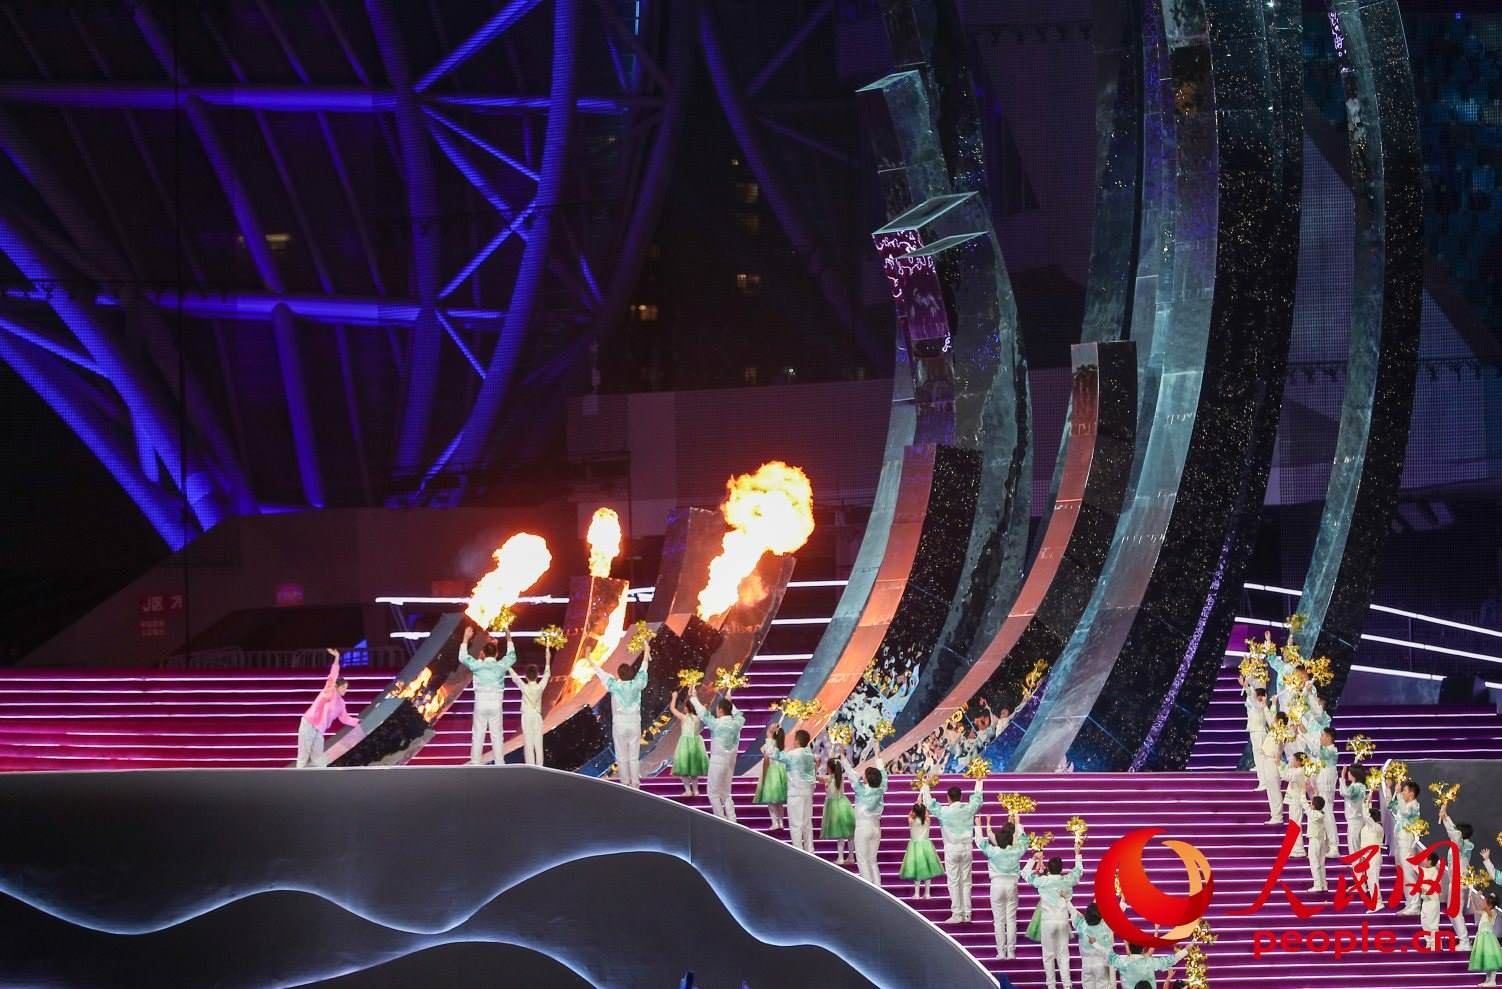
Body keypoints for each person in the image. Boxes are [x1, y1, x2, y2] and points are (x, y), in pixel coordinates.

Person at [922, 777, 986, 923]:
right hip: (967, 848)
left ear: (948, 797)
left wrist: (925, 786)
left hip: (952, 849)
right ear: (961, 797)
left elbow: (929, 803)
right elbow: (978, 799)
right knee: (966, 881)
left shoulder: (944, 811)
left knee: (954, 882)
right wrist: (979, 780)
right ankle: (967, 913)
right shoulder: (968, 809)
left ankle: (957, 914)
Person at [1026, 844, 1085, 989]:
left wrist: (1034, 858)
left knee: (1048, 955)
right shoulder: (1067, 880)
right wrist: (1077, 853)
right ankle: (1067, 985)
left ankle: (1051, 985)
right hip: (1063, 920)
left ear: (1049, 868)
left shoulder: (1042, 881)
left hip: (1047, 921)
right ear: (1061, 869)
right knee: (1063, 954)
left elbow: (1025, 874)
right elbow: (1079, 871)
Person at [593, 641, 650, 787]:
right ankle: (635, 783)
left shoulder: (614, 685)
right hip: (634, 723)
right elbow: (643, 669)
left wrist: (589, 659)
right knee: (633, 757)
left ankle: (625, 783)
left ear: (619, 675)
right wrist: (646, 652)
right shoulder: (637, 684)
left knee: (621, 756)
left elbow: (601, 673)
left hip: (619, 724)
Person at [461, 626, 517, 766]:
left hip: (481, 703)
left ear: (483, 654)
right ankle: (499, 762)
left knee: (478, 733)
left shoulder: (477, 665)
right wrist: (508, 637)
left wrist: (466, 638)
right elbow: (512, 656)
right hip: (496, 703)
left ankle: (475, 762)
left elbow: (462, 657)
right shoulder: (501, 666)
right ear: (497, 654)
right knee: (497, 734)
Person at [976, 813, 1028, 960]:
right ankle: (1011, 952)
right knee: (1011, 920)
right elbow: (1024, 841)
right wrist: (1018, 823)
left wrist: (978, 826)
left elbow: (980, 842)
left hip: (997, 885)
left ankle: (1001, 952)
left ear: (997, 840)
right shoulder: (1016, 851)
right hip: (1011, 885)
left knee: (999, 921)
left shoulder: (993, 851)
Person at [296, 648, 359, 767]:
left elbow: (345, 718)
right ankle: (298, 777)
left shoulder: (341, 703)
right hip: (309, 723)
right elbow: (333, 674)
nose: (345, 690)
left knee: (318, 758)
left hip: (319, 729)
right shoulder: (330, 690)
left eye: (346, 688)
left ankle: (319, 777)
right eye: (343, 687)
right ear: (336, 686)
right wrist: (337, 658)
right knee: (304, 755)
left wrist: (358, 722)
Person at [690, 689, 744, 820]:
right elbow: (739, 715)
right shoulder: (737, 723)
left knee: (713, 793)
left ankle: (721, 820)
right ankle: (732, 820)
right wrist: (730, 702)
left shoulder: (717, 724)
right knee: (726, 793)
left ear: (720, 710)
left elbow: (703, 714)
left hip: (718, 761)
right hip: (730, 762)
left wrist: (693, 698)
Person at [766, 727, 817, 853]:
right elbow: (813, 777)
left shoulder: (793, 755)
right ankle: (810, 850)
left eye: (794, 739)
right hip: (807, 793)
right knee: (807, 824)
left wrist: (770, 737)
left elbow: (774, 754)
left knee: (796, 825)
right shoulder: (809, 755)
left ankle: (799, 851)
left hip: (795, 793)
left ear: (797, 741)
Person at [507, 645, 551, 767]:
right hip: (537, 717)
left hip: (527, 716)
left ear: (526, 676)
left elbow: (515, 678)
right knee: (538, 742)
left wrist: (508, 665)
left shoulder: (524, 687)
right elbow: (547, 674)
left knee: (528, 741)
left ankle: (530, 765)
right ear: (537, 675)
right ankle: (540, 766)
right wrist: (547, 658)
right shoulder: (540, 687)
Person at [1384, 776, 1423, 914]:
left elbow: (1405, 812)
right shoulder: (1403, 804)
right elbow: (1390, 806)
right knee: (1404, 874)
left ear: (1411, 793)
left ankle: (1415, 905)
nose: (1403, 793)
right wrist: (1389, 789)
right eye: (1403, 791)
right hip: (1400, 842)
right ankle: (1410, 903)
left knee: (1409, 874)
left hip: (1407, 843)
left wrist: (1399, 795)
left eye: (1405, 791)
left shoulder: (1414, 805)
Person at [851, 745, 889, 886]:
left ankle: (869, 889)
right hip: (876, 829)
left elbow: (850, 774)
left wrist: (842, 758)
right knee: (872, 861)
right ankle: (878, 888)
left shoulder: (861, 790)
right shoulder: (881, 788)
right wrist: (877, 752)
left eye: (865, 775)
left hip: (863, 828)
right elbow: (883, 772)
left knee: (862, 860)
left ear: (867, 779)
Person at [1441, 805, 1476, 950]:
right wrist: (1445, 816)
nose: (1455, 831)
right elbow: (1453, 832)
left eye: (1458, 830)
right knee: (1452, 912)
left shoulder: (1463, 845)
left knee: (1455, 912)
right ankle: (1463, 940)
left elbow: (1453, 833)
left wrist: (1445, 817)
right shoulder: (1459, 845)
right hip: (1455, 881)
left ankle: (1465, 941)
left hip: (1459, 882)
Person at [668, 689, 709, 796]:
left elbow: (672, 709)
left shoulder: (684, 717)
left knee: (683, 768)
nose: (684, 708)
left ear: (687, 708)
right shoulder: (698, 717)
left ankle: (688, 790)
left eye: (685, 707)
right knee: (694, 769)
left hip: (685, 745)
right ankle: (696, 790)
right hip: (695, 744)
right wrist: (694, 695)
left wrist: (674, 697)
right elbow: (701, 707)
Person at [899, 803, 944, 899]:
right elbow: (926, 814)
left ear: (914, 812)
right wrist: (922, 807)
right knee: (928, 870)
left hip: (915, 846)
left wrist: (916, 805)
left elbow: (910, 814)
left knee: (917, 870)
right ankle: (927, 893)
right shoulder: (927, 820)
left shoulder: (911, 820)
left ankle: (917, 893)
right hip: (926, 845)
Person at [1071, 902, 1117, 989]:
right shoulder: (1106, 925)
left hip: (1086, 964)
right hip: (1101, 963)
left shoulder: (1081, 925)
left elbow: (1072, 912)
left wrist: (1067, 901)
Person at [820, 755, 856, 864]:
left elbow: (818, 778)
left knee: (840, 833)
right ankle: (851, 856)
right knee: (849, 833)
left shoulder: (830, 778)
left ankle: (840, 858)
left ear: (830, 768)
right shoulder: (839, 777)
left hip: (835, 807)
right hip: (844, 804)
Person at [755, 726, 790, 830]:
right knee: (778, 801)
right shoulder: (779, 744)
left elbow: (765, 753)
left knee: (771, 799)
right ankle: (780, 822)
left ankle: (775, 822)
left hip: (771, 771)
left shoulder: (769, 743)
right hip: (779, 771)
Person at [1239, 676, 1271, 789]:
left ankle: (1264, 783)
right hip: (1256, 733)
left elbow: (1251, 697)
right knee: (1259, 759)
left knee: (1260, 759)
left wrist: (1246, 686)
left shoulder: (1259, 706)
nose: (1254, 697)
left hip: (1259, 734)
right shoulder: (1257, 706)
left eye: (1256, 695)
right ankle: (1263, 782)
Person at [1107, 944, 1186, 989]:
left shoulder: (1123, 962)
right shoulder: (1149, 962)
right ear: (1143, 949)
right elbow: (1168, 961)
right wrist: (1187, 949)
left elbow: (1109, 955)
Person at [1282, 751, 1310, 858]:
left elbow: (1285, 776)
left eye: (1293, 759)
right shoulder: (1298, 770)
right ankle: (1295, 848)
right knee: (1294, 824)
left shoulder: (1299, 771)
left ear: (1298, 761)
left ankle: (1298, 850)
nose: (1291, 761)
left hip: (1296, 801)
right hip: (1294, 800)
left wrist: (1282, 765)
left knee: (1295, 824)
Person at [1258, 716, 1287, 823]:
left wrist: (1278, 756)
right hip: (1267, 760)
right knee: (1270, 790)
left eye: (1275, 719)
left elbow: (1280, 745)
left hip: (1273, 761)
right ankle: (1274, 815)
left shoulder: (1281, 732)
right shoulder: (1274, 731)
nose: (1273, 721)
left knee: (1274, 789)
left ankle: (1278, 816)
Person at [1469, 890, 1501, 986]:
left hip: (1488, 938)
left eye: (1485, 902)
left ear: (1490, 905)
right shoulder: (1485, 912)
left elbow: (1487, 909)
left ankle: (1493, 980)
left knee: (1491, 958)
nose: (1483, 903)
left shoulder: (1493, 912)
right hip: (1482, 937)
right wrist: (1472, 899)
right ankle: (1488, 980)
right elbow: (1475, 910)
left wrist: (1478, 897)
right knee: (1486, 959)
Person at [1358, 806, 1385, 909]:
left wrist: (1364, 803)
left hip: (1373, 856)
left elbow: (1366, 817)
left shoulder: (1376, 827)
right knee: (1370, 880)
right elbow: (1364, 842)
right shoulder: (1366, 828)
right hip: (1367, 856)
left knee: (1373, 880)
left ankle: (1378, 903)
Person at [1303, 795, 1331, 892]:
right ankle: (1324, 884)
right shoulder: (1321, 813)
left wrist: (1302, 794)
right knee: (1321, 863)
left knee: (1314, 863)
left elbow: (1305, 806)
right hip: (1321, 840)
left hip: (1315, 840)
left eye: (1312, 803)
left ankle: (1318, 885)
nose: (1310, 805)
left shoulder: (1314, 814)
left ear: (1314, 806)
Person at [1418, 850, 1444, 951]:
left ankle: (1436, 945)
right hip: (1425, 901)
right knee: (1424, 921)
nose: (1423, 860)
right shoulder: (1424, 871)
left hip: (1433, 901)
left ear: (1430, 861)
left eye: (1425, 859)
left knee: (1433, 924)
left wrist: (1424, 889)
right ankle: (1429, 942)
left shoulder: (1436, 872)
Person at [1341, 764, 1369, 857]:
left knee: (1354, 847)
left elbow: (1344, 793)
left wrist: (1342, 777)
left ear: (1354, 774)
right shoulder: (1360, 786)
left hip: (1355, 819)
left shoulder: (1356, 787)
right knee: (1357, 846)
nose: (1348, 773)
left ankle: (1357, 865)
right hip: (1358, 818)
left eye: (1349, 772)